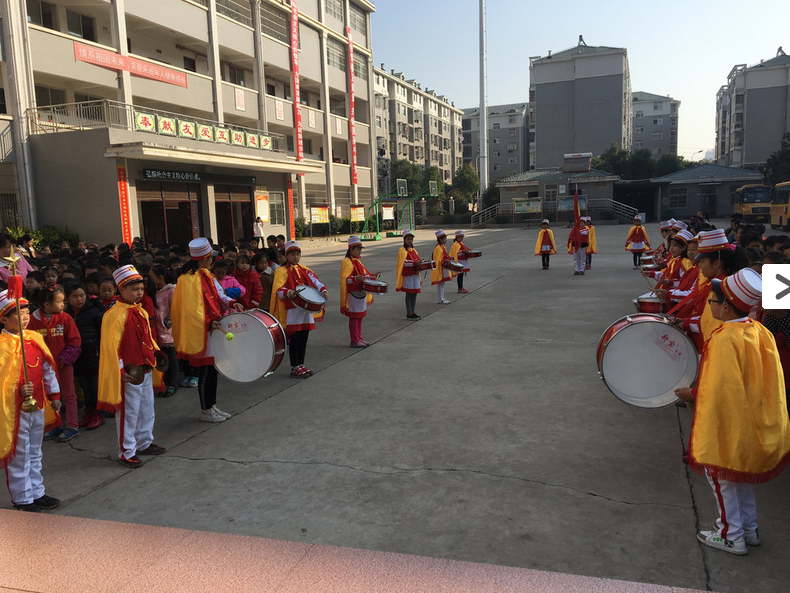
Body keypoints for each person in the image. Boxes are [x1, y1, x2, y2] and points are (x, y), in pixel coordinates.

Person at [675, 268, 790, 555]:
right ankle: (749, 529)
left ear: (725, 306)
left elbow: (720, 387)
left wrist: (691, 393)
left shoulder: (724, 339)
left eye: (712, 301)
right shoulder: (758, 330)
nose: (710, 305)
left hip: (733, 422)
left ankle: (730, 535)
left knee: (722, 477)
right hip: (755, 417)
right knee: (741, 476)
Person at [98, 265, 166, 468]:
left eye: (141, 289)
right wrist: (120, 371)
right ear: (121, 289)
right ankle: (126, 451)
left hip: (144, 368)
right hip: (130, 372)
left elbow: (147, 339)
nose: (139, 292)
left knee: (147, 408)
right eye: (134, 289)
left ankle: (144, 442)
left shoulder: (139, 311)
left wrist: (156, 354)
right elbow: (112, 347)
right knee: (128, 412)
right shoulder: (114, 314)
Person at [0, 289, 62, 511]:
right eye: (18, 313)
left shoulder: (35, 339)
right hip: (15, 411)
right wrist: (17, 389)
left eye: (26, 312)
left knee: (35, 451)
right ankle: (22, 498)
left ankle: (37, 491)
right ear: (4, 319)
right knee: (20, 454)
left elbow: (48, 370)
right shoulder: (1, 346)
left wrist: (54, 395)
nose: (25, 317)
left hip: (37, 405)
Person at [171, 238, 243, 423]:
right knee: (205, 372)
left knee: (213, 370)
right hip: (202, 330)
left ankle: (212, 406)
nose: (212, 260)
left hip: (213, 326)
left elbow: (220, 294)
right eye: (210, 257)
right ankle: (205, 409)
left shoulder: (207, 275)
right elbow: (190, 311)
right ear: (204, 259)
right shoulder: (186, 280)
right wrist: (208, 322)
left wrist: (232, 302)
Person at [28, 287, 82, 442]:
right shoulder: (32, 320)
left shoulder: (65, 318)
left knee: (69, 395)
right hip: (43, 368)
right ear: (46, 305)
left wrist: (66, 359)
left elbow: (75, 341)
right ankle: (53, 425)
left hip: (64, 365)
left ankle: (72, 425)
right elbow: (30, 344)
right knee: (48, 396)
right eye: (59, 302)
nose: (63, 304)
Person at [271, 241, 327, 377]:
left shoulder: (304, 269)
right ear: (287, 256)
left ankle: (301, 365)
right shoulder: (281, 271)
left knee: (303, 339)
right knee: (295, 340)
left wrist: (323, 289)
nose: (295, 257)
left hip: (305, 310)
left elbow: (315, 281)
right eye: (292, 254)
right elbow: (278, 289)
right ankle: (294, 367)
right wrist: (288, 292)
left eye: (298, 254)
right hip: (292, 311)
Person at [64, 282, 105, 431]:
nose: (79, 299)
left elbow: (103, 335)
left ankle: (98, 414)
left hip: (93, 355)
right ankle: (88, 413)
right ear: (68, 298)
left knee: (95, 387)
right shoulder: (66, 314)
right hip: (76, 358)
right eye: (75, 296)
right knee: (84, 387)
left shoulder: (94, 312)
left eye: (82, 296)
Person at [340, 236, 378, 348]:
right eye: (357, 249)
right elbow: (344, 279)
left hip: (360, 293)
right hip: (353, 294)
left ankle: (359, 338)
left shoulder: (358, 262)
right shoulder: (347, 262)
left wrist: (373, 276)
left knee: (360, 316)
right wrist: (354, 279)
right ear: (351, 249)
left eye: (360, 249)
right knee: (354, 317)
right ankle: (354, 339)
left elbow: (365, 274)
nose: (359, 251)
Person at [149, 264, 178, 398]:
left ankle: (172, 383)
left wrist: (170, 325)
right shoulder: (154, 291)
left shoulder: (171, 290)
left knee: (171, 358)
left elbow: (176, 310)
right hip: (157, 332)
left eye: (152, 276)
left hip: (168, 331)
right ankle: (163, 383)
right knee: (162, 359)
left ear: (160, 278)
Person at [396, 229, 423, 320]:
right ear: (404, 240)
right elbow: (403, 263)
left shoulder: (414, 250)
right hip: (408, 275)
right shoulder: (402, 250)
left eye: (411, 239)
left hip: (414, 274)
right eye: (408, 239)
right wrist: (415, 263)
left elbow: (416, 260)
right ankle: (409, 313)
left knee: (414, 293)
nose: (410, 240)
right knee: (409, 293)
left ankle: (413, 311)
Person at [431, 230, 453, 304]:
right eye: (445, 238)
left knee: (442, 284)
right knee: (440, 284)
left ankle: (442, 298)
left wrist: (449, 258)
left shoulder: (442, 247)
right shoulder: (438, 248)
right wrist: (445, 261)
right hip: (441, 268)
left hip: (443, 268)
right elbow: (438, 260)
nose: (446, 240)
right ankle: (440, 299)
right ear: (440, 239)